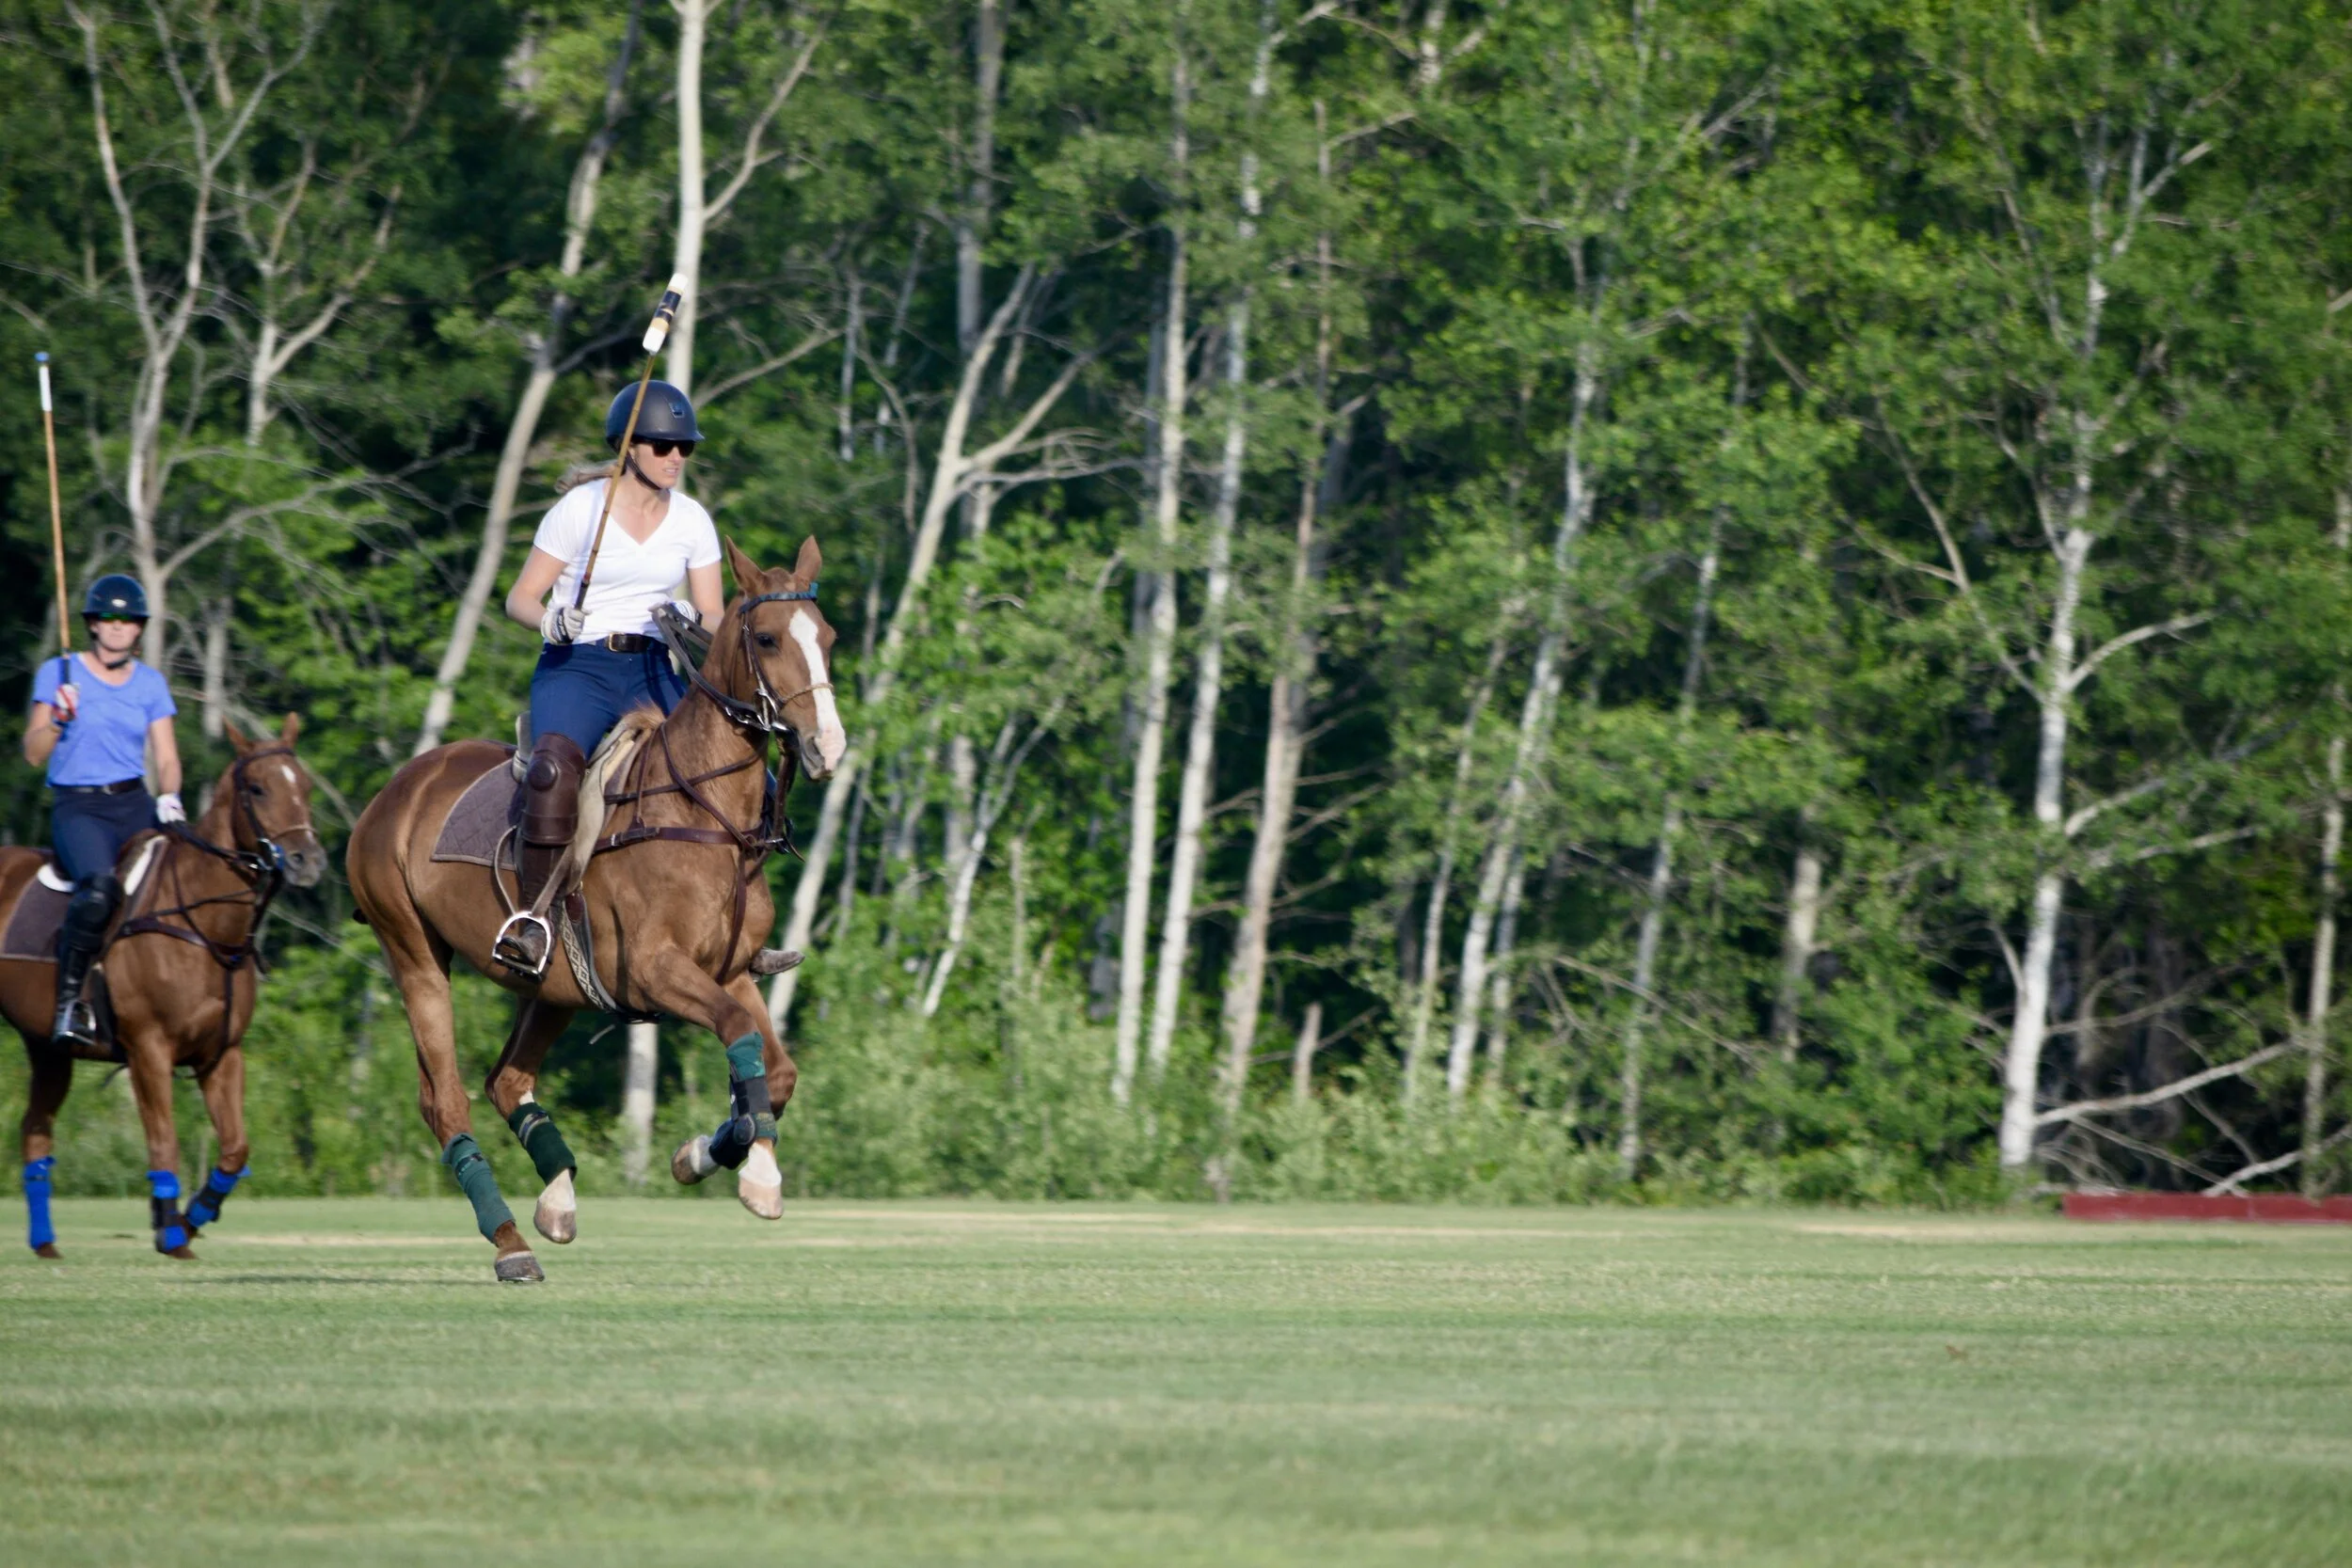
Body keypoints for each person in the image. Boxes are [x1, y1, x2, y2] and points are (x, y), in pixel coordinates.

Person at [496, 380, 724, 973]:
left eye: (685, 449)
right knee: (552, 771)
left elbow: (715, 615)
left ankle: (738, 920)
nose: (676, 457)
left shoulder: (693, 521)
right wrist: (552, 620)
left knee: (727, 767)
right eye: (660, 446)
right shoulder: (581, 511)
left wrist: (693, 620)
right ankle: (532, 920)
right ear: (629, 448)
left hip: (654, 664)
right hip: (581, 667)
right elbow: (519, 598)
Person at [22, 574, 183, 1047]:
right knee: (99, 891)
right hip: (80, 806)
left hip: (134, 802)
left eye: (128, 620)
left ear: (139, 629)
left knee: (184, 878)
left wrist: (170, 794)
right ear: (92, 623)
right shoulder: (60, 673)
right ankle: (70, 1005)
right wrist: (57, 719)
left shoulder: (150, 684)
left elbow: (168, 757)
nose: (117, 627)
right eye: (108, 618)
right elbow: (33, 753)